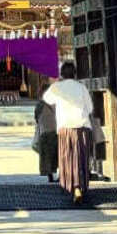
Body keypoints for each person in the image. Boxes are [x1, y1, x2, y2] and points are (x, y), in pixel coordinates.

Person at [42, 61, 94, 202]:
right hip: (82, 127)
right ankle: (80, 186)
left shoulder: (57, 87)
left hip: (65, 128)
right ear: (75, 73)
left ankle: (71, 186)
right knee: (81, 157)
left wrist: (56, 84)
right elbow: (89, 108)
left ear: (62, 74)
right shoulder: (81, 87)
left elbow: (46, 99)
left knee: (68, 157)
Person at [33, 97, 58, 182]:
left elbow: (36, 118)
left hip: (44, 132)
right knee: (57, 155)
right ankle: (62, 175)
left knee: (46, 157)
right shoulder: (56, 103)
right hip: (55, 132)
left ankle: (50, 177)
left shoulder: (39, 105)